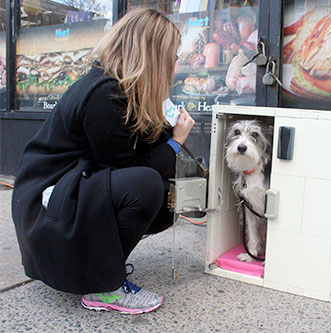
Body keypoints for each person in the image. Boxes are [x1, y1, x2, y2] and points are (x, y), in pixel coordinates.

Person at [11, 8, 194, 315]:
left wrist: (161, 125)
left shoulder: (118, 87)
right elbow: (128, 172)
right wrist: (175, 142)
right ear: (154, 56)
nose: (175, 65)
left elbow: (128, 163)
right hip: (46, 204)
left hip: (67, 192)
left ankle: (99, 265)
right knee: (147, 186)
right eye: (172, 56)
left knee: (163, 198)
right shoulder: (105, 93)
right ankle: (104, 288)